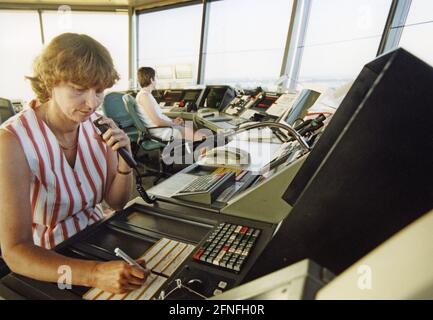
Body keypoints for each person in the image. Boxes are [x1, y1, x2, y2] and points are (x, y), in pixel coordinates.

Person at [0, 33, 150, 294]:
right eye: (79, 89)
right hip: (48, 257)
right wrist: (94, 274)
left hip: (99, 235)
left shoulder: (97, 124)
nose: (92, 103)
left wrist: (124, 160)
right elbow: (15, 252)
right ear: (50, 83)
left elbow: (115, 203)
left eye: (99, 91)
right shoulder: (12, 141)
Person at [135, 67, 205, 142]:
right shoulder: (144, 96)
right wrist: (173, 123)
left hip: (164, 129)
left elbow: (159, 117)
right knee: (203, 137)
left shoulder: (146, 95)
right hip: (161, 132)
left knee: (192, 131)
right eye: (156, 77)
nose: (156, 80)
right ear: (152, 79)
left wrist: (173, 121)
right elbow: (157, 122)